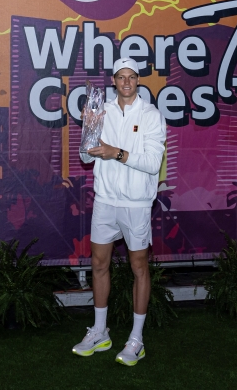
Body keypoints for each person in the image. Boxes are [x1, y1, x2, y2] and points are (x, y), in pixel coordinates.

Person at [71, 57, 167, 366]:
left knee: (139, 267)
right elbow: (87, 159)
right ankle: (100, 332)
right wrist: (88, 128)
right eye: (120, 77)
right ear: (113, 81)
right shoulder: (102, 111)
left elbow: (153, 163)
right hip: (105, 201)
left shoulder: (151, 115)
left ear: (138, 80)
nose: (126, 81)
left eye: (131, 76)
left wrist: (118, 153)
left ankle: (136, 339)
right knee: (99, 263)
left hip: (137, 203)